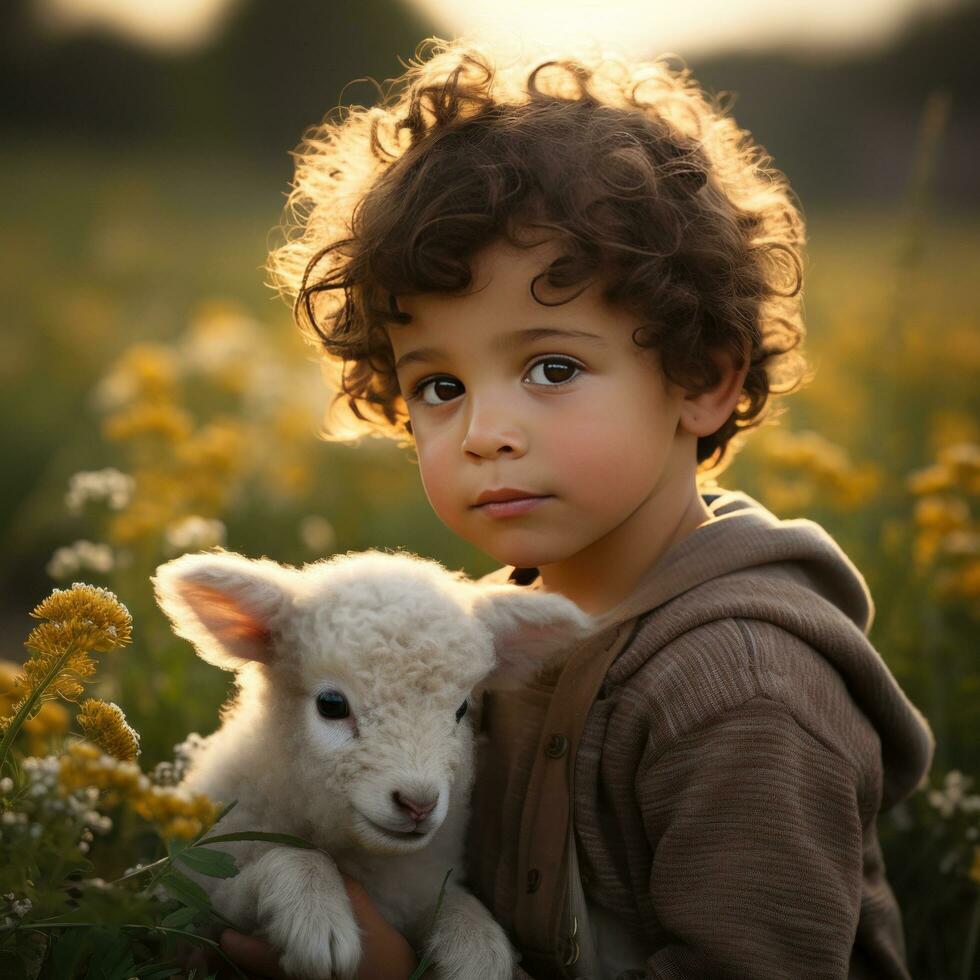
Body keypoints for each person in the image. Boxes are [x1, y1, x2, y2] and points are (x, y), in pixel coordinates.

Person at [213, 35, 935, 979]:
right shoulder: (471, 640)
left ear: (703, 379)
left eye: (551, 367)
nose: (484, 431)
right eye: (437, 385)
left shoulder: (743, 689)